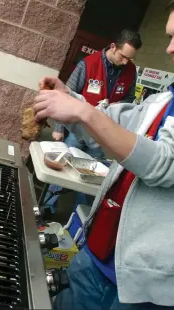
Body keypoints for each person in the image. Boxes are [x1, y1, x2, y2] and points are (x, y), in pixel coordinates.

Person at [33, 0, 174, 309]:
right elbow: (119, 118)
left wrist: (82, 112)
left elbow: (166, 161)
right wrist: (71, 99)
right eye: (170, 36)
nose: (170, 47)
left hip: (146, 288)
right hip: (96, 254)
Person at [44, 29, 142, 214]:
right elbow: (65, 94)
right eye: (123, 56)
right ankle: (49, 206)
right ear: (113, 47)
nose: (126, 62)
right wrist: (58, 128)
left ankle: (81, 213)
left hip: (102, 133)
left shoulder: (130, 71)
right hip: (77, 130)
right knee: (63, 166)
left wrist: (114, 105)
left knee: (93, 175)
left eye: (130, 58)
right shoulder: (88, 64)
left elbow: (129, 99)